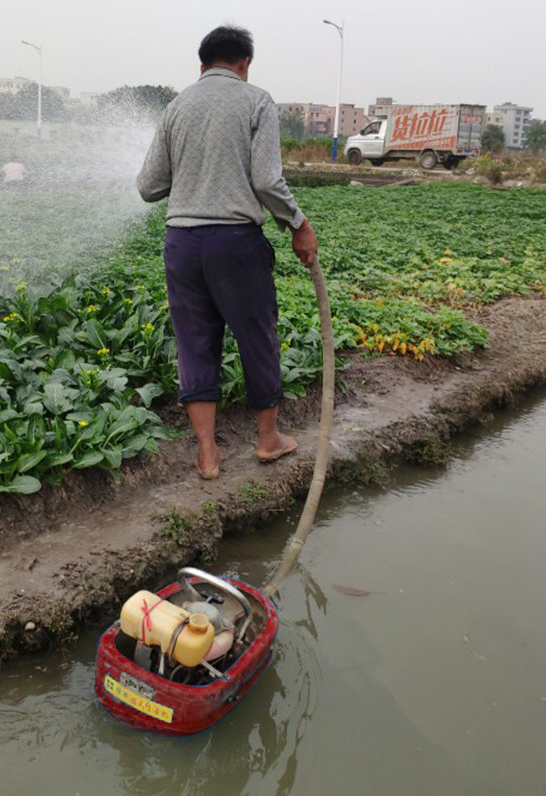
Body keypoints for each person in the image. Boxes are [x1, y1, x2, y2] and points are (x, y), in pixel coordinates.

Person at [136, 25, 319, 480]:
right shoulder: (256, 100)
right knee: (256, 335)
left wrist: (193, 171)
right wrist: (299, 224)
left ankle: (206, 453)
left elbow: (148, 187)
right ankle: (267, 440)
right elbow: (266, 181)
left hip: (181, 243)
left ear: (202, 65)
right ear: (244, 64)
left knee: (194, 342)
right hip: (234, 242)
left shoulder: (177, 106)